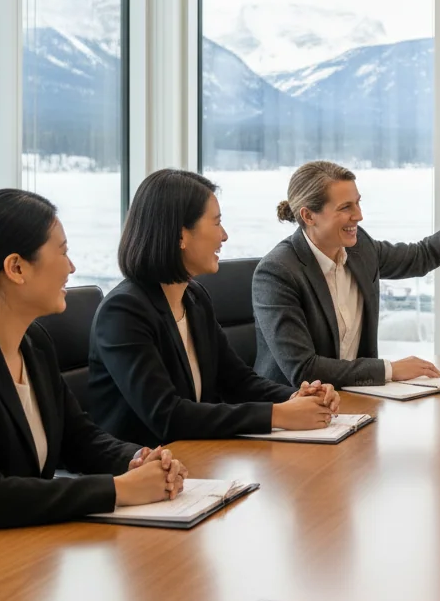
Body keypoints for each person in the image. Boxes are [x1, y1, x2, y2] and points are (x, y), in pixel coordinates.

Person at [0, 189, 186, 551]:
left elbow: (80, 439)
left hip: (25, 552)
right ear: (16, 268)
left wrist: (136, 460)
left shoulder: (35, 343)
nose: (72, 267)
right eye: (62, 251)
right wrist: (119, 489)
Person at [88, 170, 340, 447]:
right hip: (143, 470)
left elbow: (238, 381)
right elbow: (167, 415)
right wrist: (277, 415)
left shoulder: (194, 298)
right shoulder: (123, 312)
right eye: (216, 223)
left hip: (196, 456)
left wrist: (297, 397)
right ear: (180, 235)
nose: (224, 235)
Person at [254, 161, 440, 388]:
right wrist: (390, 369)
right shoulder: (277, 273)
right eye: (346, 208)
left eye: (358, 202)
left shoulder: (359, 248)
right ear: (308, 216)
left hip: (355, 403)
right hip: (293, 415)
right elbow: (303, 369)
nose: (359, 215)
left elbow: (422, 256)